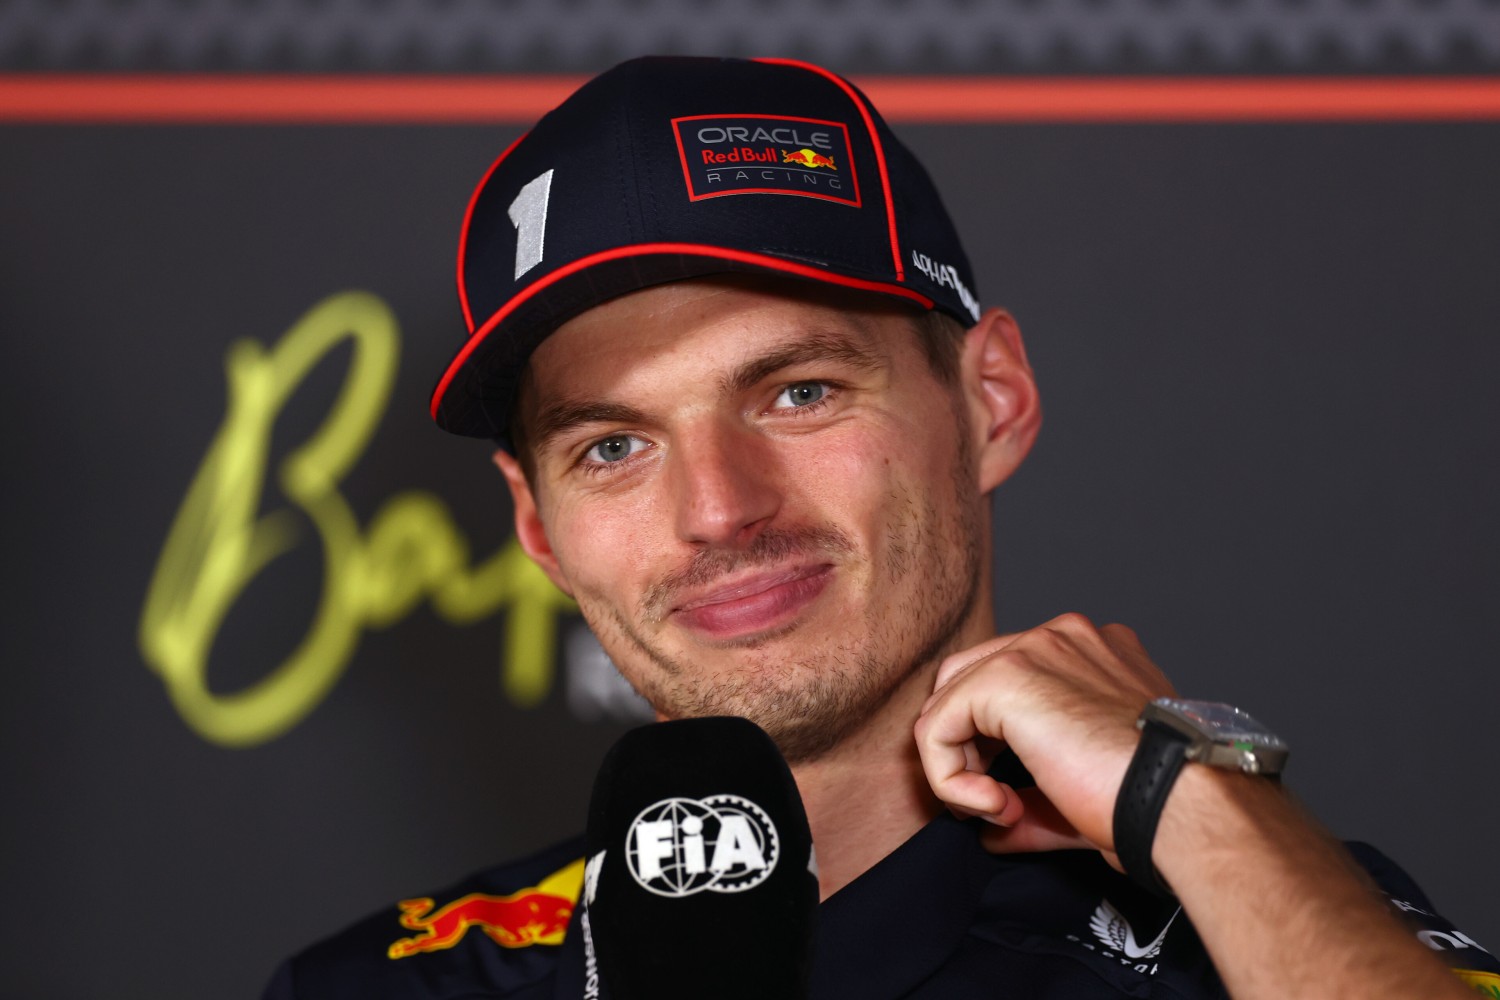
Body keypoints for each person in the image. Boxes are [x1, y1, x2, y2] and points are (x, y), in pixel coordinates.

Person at [263, 56, 1499, 998]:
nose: (717, 509)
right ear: (538, 526)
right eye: (614, 447)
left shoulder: (1267, 929)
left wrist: (1195, 794)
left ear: (991, 401)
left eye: (799, 392)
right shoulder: (394, 983)